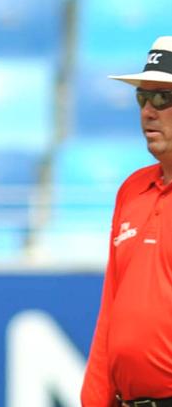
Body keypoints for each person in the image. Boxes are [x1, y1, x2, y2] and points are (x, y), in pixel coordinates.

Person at [81, 36, 172, 407]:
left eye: (163, 98)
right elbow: (112, 304)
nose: (148, 111)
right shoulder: (133, 190)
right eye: (142, 98)